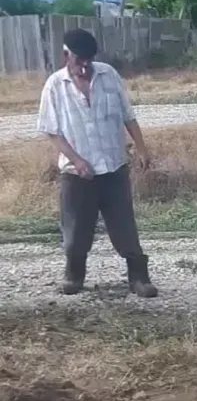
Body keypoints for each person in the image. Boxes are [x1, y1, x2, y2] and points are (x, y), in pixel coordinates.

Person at [36, 28, 158, 298]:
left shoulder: (108, 75)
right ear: (65, 55)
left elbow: (128, 115)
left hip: (114, 167)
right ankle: (74, 275)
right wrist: (77, 160)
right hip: (77, 174)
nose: (85, 65)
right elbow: (52, 131)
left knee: (124, 226)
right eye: (79, 60)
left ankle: (139, 277)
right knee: (76, 231)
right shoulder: (55, 86)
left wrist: (141, 148)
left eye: (89, 59)